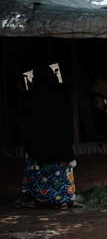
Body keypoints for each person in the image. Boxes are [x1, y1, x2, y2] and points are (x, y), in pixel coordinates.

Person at [21, 64, 77, 209]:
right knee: (59, 174)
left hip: (39, 147)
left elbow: (28, 122)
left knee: (37, 173)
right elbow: (67, 120)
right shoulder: (61, 95)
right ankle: (63, 201)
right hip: (60, 147)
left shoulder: (33, 97)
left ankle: (33, 200)